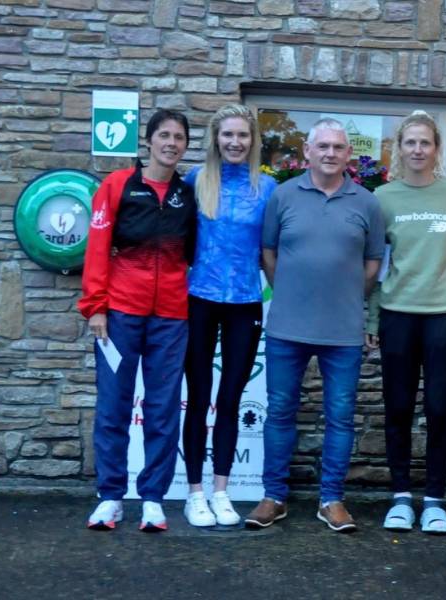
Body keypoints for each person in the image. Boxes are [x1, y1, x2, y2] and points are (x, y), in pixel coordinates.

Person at [245, 118, 385, 533]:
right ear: (306, 151)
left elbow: (374, 262)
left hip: (342, 330)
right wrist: (289, 289)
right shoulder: (283, 196)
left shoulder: (366, 202)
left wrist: (345, 294)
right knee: (280, 412)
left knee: (340, 417)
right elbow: (267, 253)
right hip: (287, 325)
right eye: (322, 146)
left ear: (348, 155)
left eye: (338, 147)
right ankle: (273, 497)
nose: (329, 153)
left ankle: (332, 500)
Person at [78, 109, 197, 532]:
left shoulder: (188, 192)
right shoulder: (117, 185)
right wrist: (95, 306)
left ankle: (152, 499)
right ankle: (110, 497)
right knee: (113, 405)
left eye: (179, 137)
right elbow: (97, 247)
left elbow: (193, 254)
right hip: (121, 315)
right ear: (148, 142)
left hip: (171, 317)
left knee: (163, 408)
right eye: (164, 135)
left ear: (185, 145)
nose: (171, 143)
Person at [364, 111, 446, 534]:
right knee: (399, 408)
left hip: (445, 316)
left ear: (436, 149)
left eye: (425, 143)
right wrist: (372, 318)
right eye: (410, 143)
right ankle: (401, 496)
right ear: (399, 148)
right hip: (398, 315)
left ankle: (436, 500)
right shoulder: (382, 198)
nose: (418, 150)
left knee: (441, 409)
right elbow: (376, 265)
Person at [180, 105, 277, 528]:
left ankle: (222, 490)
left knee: (231, 399)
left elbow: (276, 245)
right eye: (227, 135)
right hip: (199, 298)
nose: (235, 142)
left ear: (253, 141)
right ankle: (194, 492)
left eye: (243, 135)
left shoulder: (268, 188)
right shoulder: (195, 181)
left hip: (245, 302)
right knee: (198, 398)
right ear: (215, 139)